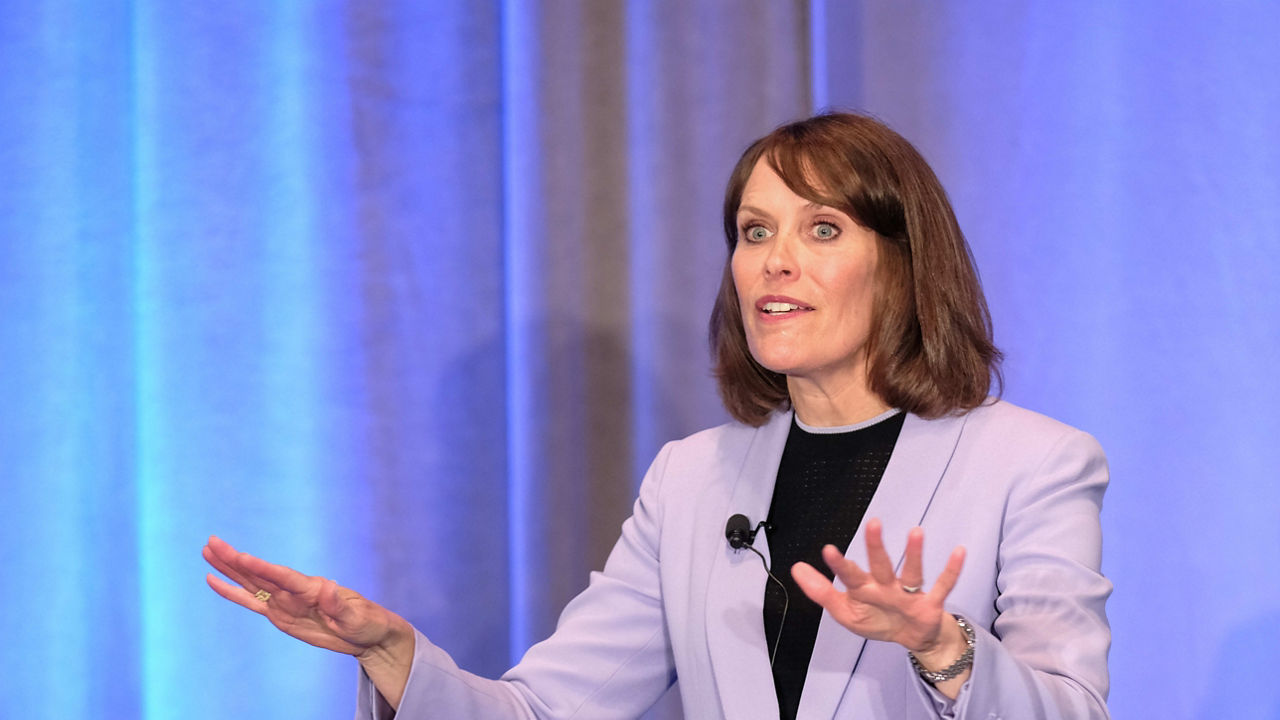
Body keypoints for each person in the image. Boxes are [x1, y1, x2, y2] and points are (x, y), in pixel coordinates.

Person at [204, 112, 1111, 719]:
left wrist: (942, 647)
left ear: (905, 263)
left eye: (822, 229)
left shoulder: (1033, 463)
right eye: (755, 232)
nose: (774, 263)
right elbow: (547, 710)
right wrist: (394, 655)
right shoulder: (691, 479)